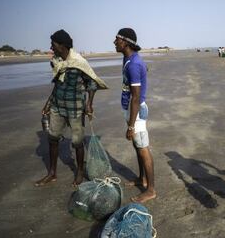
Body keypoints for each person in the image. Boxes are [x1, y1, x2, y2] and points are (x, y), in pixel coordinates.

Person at [35, 29, 108, 187]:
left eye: (53, 44)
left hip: (75, 107)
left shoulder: (79, 62)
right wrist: (48, 104)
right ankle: (52, 173)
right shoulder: (56, 61)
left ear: (62, 45)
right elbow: (57, 84)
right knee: (52, 138)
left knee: (77, 141)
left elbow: (92, 83)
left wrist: (89, 104)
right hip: (58, 105)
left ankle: (80, 172)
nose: (51, 47)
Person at [114, 28, 156, 203]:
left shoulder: (133, 64)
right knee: (137, 146)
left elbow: (137, 97)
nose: (114, 42)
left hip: (136, 112)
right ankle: (142, 178)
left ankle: (151, 189)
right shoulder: (128, 59)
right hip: (131, 110)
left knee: (143, 148)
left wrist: (131, 126)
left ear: (126, 42)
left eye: (117, 39)